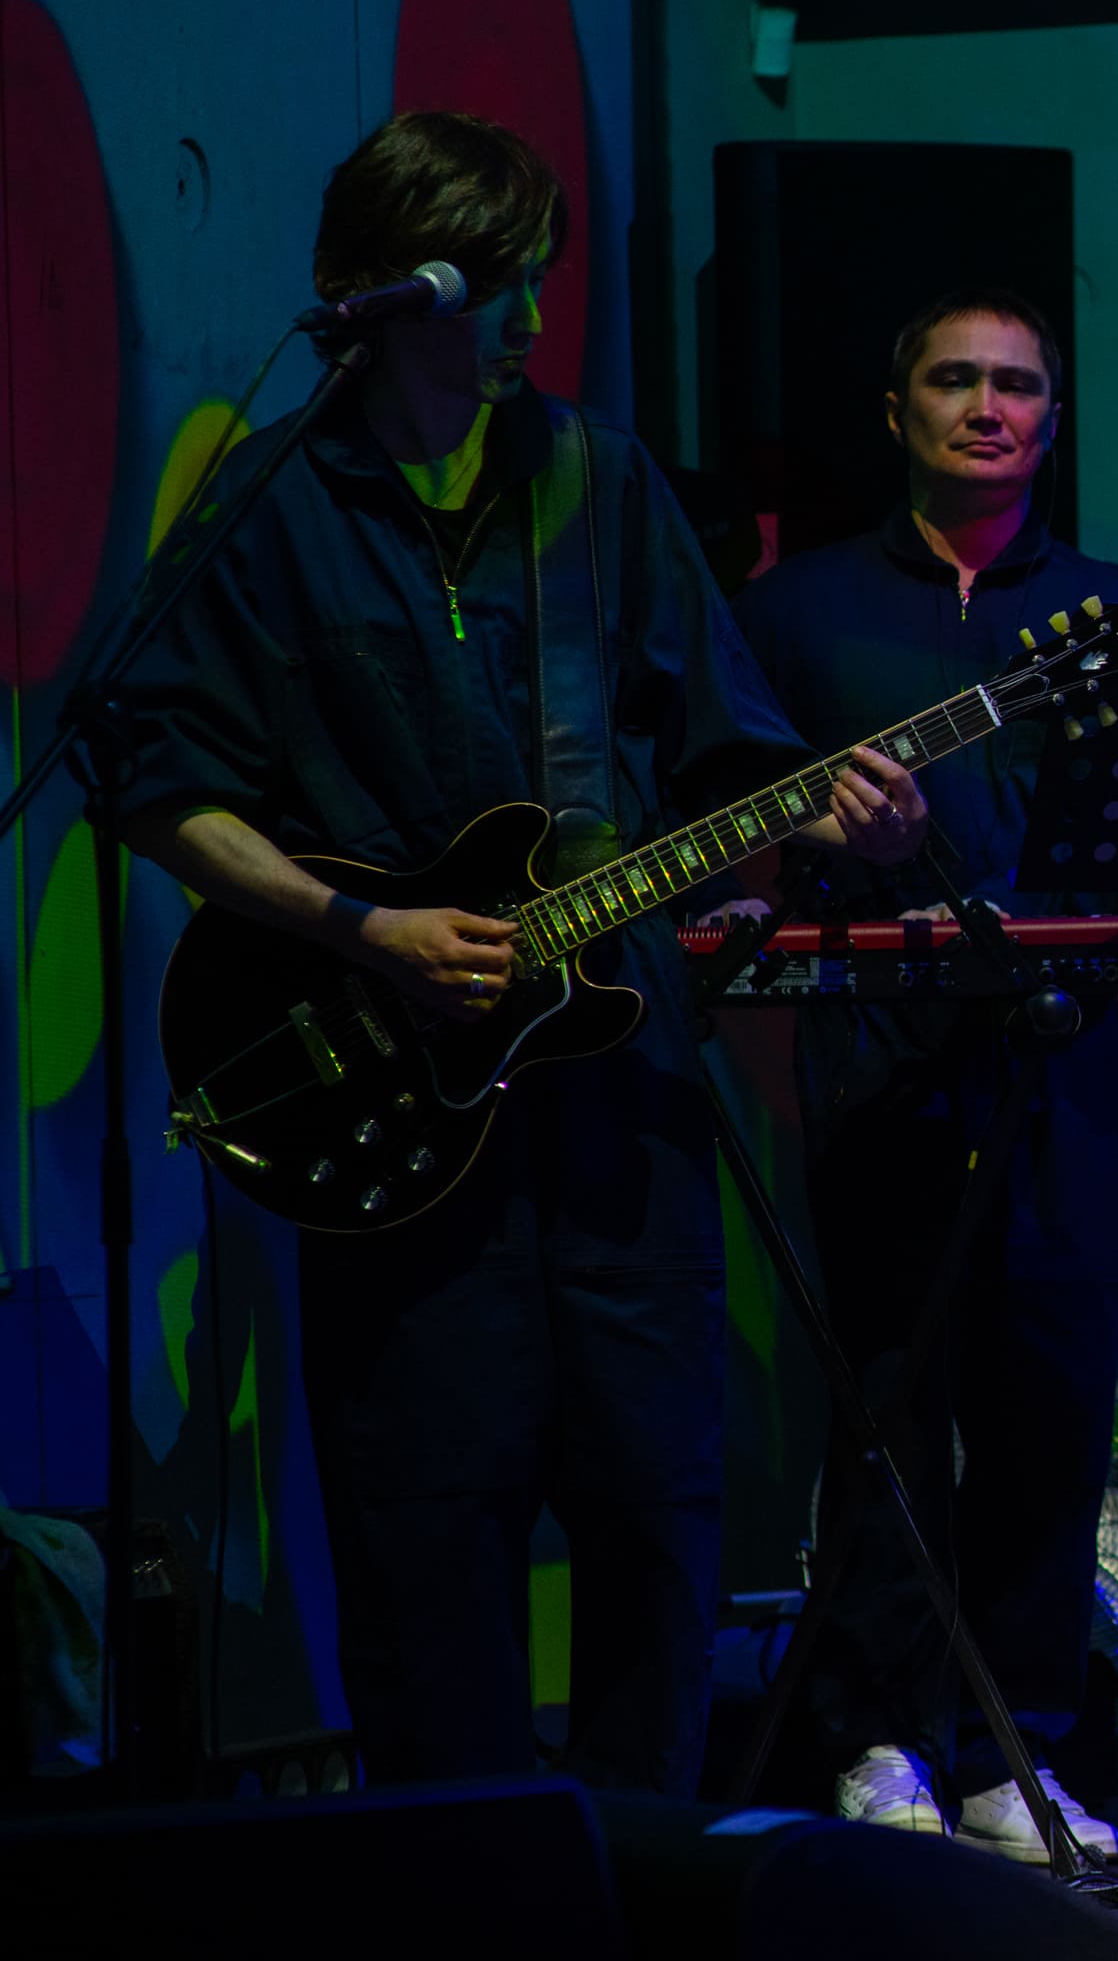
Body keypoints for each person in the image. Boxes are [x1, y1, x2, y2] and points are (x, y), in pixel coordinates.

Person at [115, 110, 928, 1794]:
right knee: (424, 1554)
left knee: (654, 1528)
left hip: (619, 1112)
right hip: (395, 1126)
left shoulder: (601, 485)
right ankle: (462, 1907)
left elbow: (725, 760)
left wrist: (819, 824)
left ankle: (641, 1896)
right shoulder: (268, 504)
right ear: (384, 293)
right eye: (497, 289)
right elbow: (157, 780)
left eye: (537, 283)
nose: (531, 324)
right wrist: (362, 929)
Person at [704, 289, 1118, 1861]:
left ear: (1051, 420)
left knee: (1049, 1410)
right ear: (895, 410)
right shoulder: (794, 608)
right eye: (953, 378)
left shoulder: (1113, 608)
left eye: (1016, 384)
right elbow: (722, 825)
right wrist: (820, 832)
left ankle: (1018, 1752)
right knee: (886, 1407)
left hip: (1060, 1058)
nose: (986, 405)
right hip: (875, 1056)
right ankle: (882, 1738)